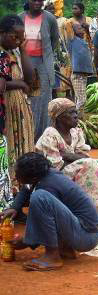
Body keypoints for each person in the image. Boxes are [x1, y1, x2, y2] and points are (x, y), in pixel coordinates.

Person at [0, 152, 98, 271]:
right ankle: (66, 249)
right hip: (85, 231)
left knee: (39, 197)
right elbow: (27, 188)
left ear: (32, 177)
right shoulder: (47, 174)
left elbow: (45, 222)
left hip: (86, 237)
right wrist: (15, 207)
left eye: (18, 174)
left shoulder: (48, 185)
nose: (15, 177)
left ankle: (52, 257)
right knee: (40, 198)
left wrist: (26, 241)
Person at [35, 98, 98, 208]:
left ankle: (87, 205)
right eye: (71, 112)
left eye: (76, 112)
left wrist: (67, 156)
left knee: (96, 163)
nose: (76, 115)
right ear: (59, 116)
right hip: (50, 177)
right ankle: (83, 207)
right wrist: (77, 159)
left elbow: (84, 155)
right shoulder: (50, 134)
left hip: (67, 172)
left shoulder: (75, 132)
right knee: (90, 165)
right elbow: (54, 166)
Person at [0, 15, 35, 186]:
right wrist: (18, 83)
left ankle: (22, 185)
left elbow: (30, 79)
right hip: (5, 107)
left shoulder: (15, 51)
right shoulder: (1, 54)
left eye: (22, 37)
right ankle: (10, 186)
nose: (18, 40)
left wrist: (22, 48)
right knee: (8, 148)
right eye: (15, 36)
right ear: (2, 33)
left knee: (22, 144)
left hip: (20, 108)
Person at [19, 0, 60, 142]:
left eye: (39, 0)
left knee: (43, 101)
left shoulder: (49, 18)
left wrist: (46, 56)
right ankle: (26, 136)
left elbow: (55, 40)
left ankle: (42, 139)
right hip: (23, 63)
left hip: (43, 64)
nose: (37, 2)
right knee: (24, 98)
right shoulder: (20, 17)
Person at [66, 24, 94, 116]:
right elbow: (68, 27)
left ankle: (79, 119)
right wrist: (74, 22)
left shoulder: (84, 41)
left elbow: (91, 41)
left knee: (79, 98)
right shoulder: (72, 41)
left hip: (83, 74)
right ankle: (73, 116)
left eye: (82, 27)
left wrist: (86, 29)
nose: (81, 29)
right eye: (79, 28)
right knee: (82, 99)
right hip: (77, 75)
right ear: (73, 31)